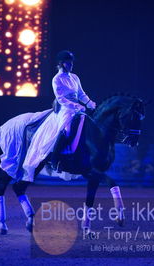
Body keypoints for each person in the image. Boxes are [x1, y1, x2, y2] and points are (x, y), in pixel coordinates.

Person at [19, 50, 96, 180]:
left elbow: (81, 94)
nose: (71, 65)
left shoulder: (75, 77)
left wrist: (89, 103)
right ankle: (55, 160)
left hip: (78, 109)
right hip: (65, 110)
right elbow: (61, 99)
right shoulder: (57, 79)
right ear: (61, 63)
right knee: (65, 129)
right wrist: (76, 106)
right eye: (68, 62)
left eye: (72, 62)